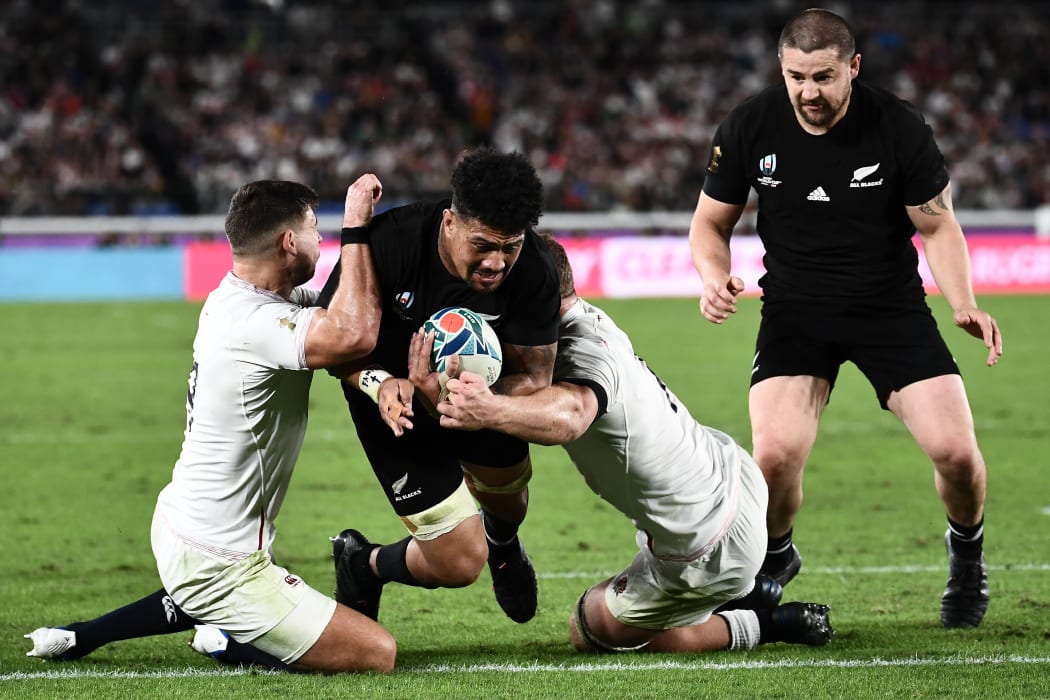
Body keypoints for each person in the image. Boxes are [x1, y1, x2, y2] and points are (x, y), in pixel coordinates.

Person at [688, 8, 1000, 629]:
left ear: (853, 67)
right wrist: (713, 277)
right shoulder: (749, 124)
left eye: (824, 77)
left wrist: (963, 301)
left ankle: (967, 558)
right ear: (782, 69)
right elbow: (709, 223)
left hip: (890, 310)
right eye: (796, 77)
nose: (809, 92)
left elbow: (938, 225)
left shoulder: (899, 126)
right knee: (774, 455)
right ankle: (776, 559)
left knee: (957, 455)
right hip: (795, 312)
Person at [26, 177, 397, 673]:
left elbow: (338, 311)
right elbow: (351, 334)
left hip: (183, 525)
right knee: (375, 653)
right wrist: (355, 227)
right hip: (219, 558)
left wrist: (379, 381)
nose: (321, 238)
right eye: (314, 228)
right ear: (289, 242)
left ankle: (80, 636)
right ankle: (226, 643)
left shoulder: (234, 300)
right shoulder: (254, 324)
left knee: (198, 588)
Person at [421, 235, 833, 653]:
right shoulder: (587, 320)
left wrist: (489, 409)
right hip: (734, 477)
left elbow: (572, 413)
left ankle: (768, 623)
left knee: (590, 625)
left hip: (707, 544)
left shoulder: (582, 354)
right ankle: (747, 588)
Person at [320, 146, 560, 625]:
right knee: (459, 563)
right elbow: (331, 345)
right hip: (394, 403)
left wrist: (470, 402)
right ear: (450, 222)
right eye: (483, 245)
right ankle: (364, 564)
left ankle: (504, 543)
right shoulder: (392, 243)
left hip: (481, 397)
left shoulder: (534, 268)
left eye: (509, 247)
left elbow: (536, 378)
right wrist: (380, 383)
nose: (496, 262)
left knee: (510, 501)